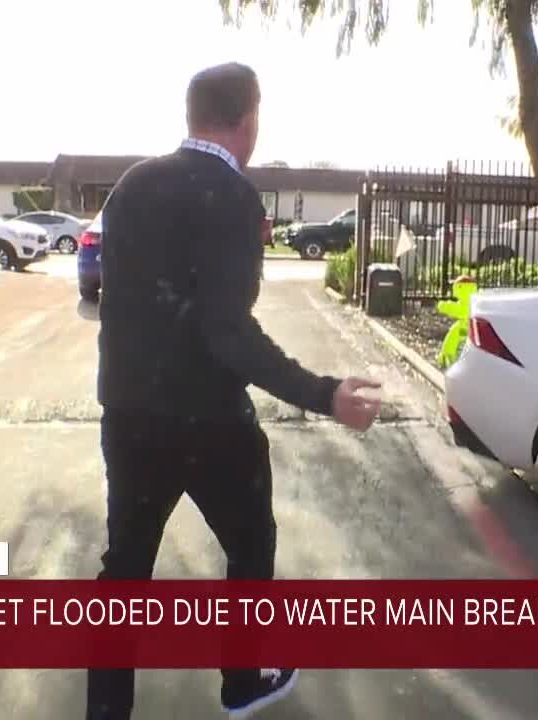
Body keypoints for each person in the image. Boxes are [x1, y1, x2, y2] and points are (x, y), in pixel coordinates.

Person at [86, 62, 383, 720]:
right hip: (211, 421)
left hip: (130, 413)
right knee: (251, 544)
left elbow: (122, 297)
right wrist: (324, 392)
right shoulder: (233, 196)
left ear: (192, 115)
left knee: (124, 573)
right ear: (249, 120)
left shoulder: (130, 187)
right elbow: (227, 330)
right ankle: (241, 680)